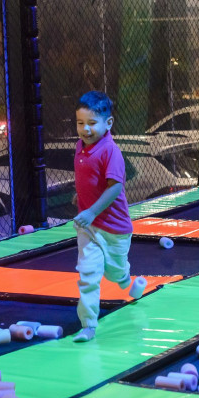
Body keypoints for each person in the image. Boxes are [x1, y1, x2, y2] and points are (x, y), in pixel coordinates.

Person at [72, 91, 133, 342]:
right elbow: (89, 179)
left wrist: (91, 210)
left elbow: (115, 187)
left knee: (114, 274)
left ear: (108, 123)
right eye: (80, 123)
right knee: (88, 274)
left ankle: (124, 276)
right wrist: (80, 197)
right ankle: (88, 325)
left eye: (92, 123)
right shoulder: (81, 147)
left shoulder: (110, 151)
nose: (85, 129)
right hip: (89, 227)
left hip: (115, 227)